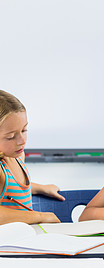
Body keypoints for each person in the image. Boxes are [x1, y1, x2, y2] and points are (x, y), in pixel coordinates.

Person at [0, 90, 62, 225]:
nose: (21, 140)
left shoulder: (17, 156)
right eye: (11, 137)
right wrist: (39, 216)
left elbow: (12, 188)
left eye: (24, 130)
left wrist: (41, 188)